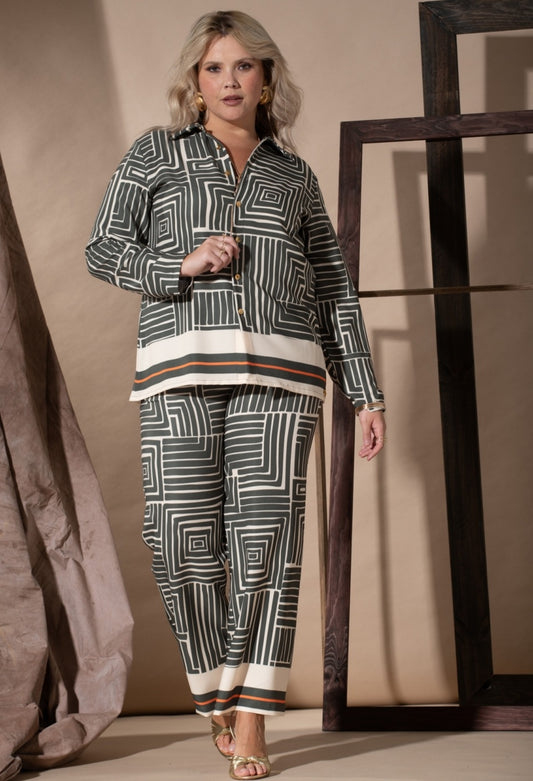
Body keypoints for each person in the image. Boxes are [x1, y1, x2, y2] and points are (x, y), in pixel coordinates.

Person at [86, 10, 385, 779]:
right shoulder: (156, 153)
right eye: (215, 67)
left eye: (244, 66)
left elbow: (332, 286)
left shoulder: (293, 175)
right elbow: (103, 247)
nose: (230, 80)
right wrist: (177, 266)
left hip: (284, 376)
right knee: (176, 533)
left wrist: (364, 390)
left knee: (265, 543)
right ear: (195, 80)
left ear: (266, 79)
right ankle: (215, 686)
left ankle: (250, 715)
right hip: (179, 369)